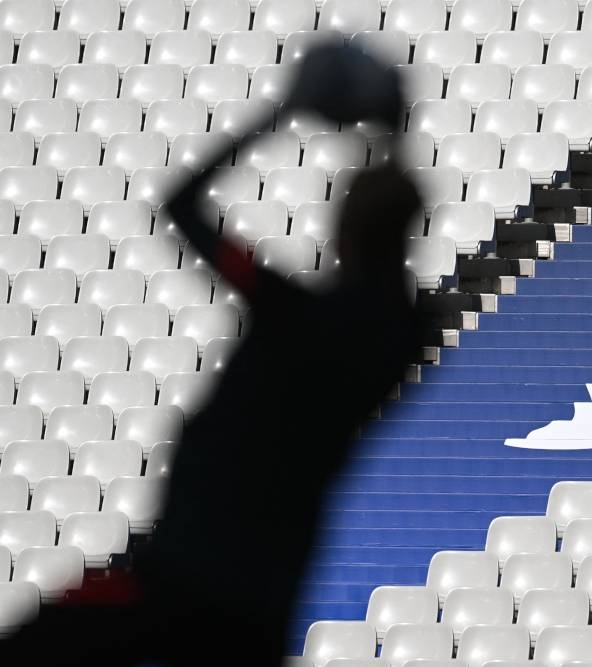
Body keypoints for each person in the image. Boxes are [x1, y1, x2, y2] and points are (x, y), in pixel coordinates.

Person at [0, 44, 424, 666]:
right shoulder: (396, 338)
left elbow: (181, 205)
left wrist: (283, 114)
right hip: (260, 601)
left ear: (346, 229)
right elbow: (387, 259)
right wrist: (396, 144)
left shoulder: (289, 310)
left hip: (182, 574)